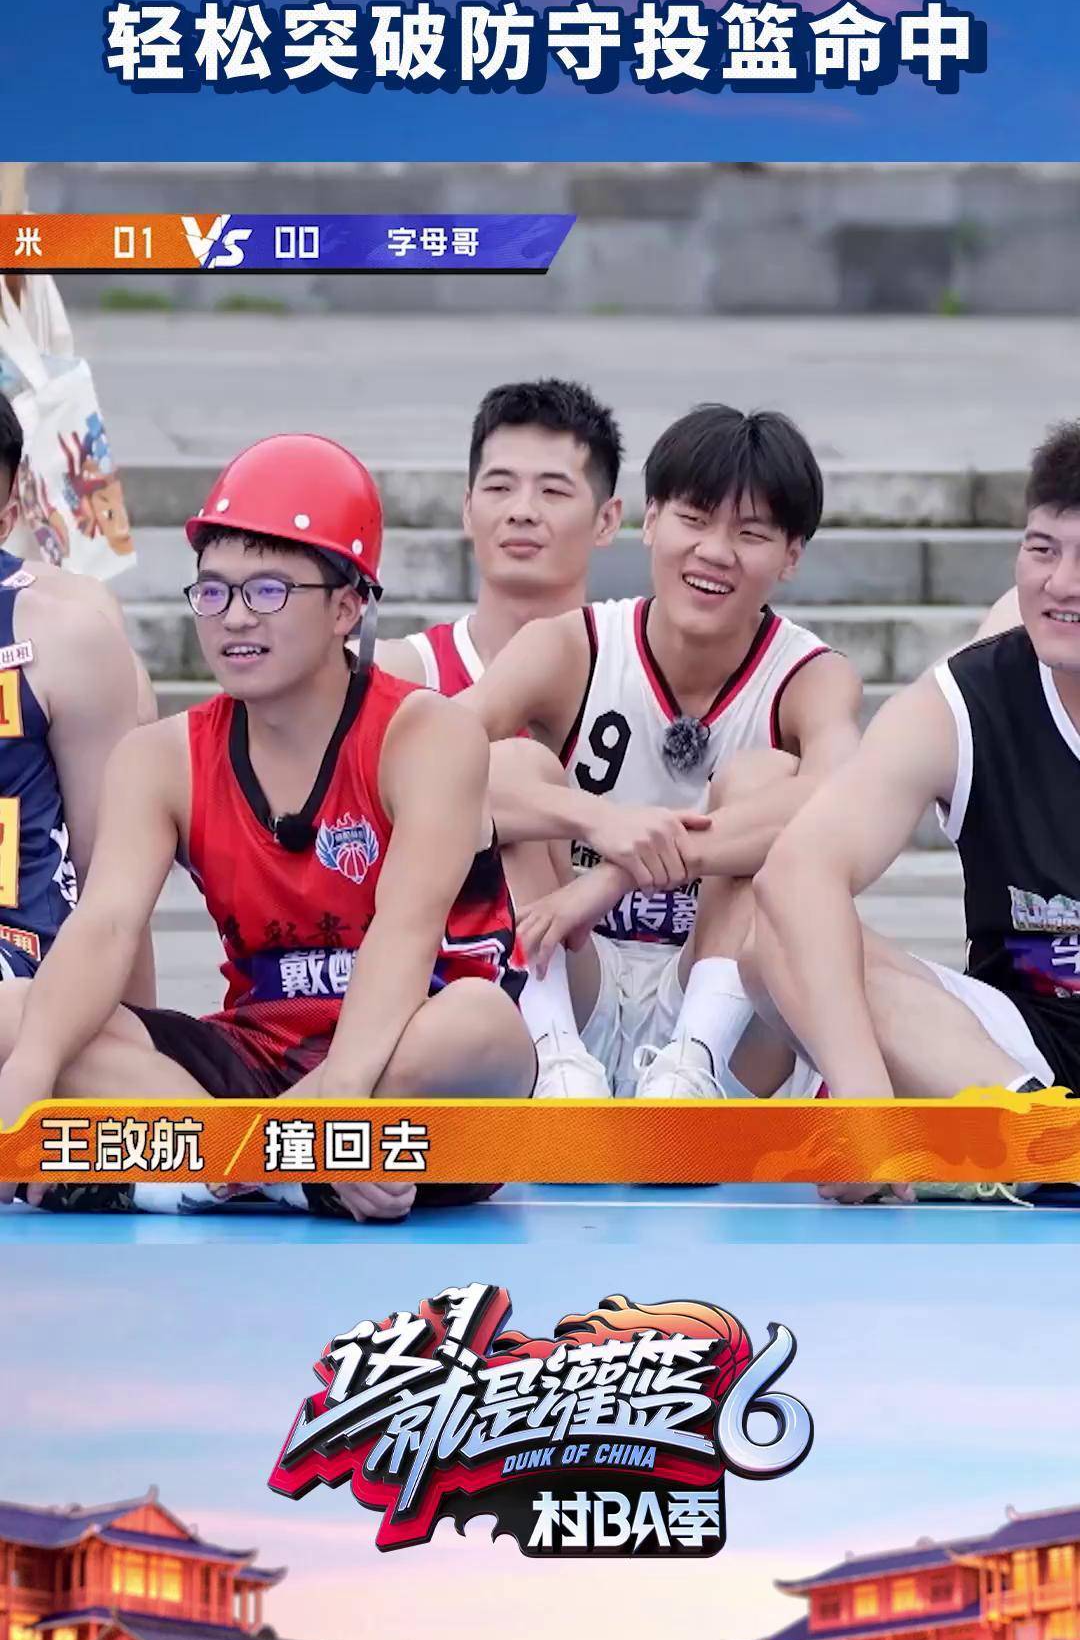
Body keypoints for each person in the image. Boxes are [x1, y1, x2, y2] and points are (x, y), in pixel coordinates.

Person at [0, 434, 536, 1223]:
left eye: (269, 591)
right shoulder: (161, 758)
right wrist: (29, 1074)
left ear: (348, 606)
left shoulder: (427, 735)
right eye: (214, 592)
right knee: (15, 1014)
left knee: (481, 1024)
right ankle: (277, 1174)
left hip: (407, 1070)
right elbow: (106, 925)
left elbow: (406, 933)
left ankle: (207, 1170)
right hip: (254, 1065)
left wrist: (341, 1104)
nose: (235, 617)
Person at [462, 404, 863, 1099]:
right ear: (650, 521)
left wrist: (619, 873)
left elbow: (845, 806)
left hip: (725, 1010)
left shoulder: (811, 676)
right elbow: (429, 764)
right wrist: (596, 820)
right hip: (578, 975)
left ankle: (689, 1071)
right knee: (512, 765)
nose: (715, 551)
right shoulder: (569, 646)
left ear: (791, 556)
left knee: (768, 779)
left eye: (750, 533)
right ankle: (556, 1064)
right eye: (694, 518)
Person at [747, 420, 1080, 1128]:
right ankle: (1039, 1139)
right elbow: (796, 873)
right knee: (773, 942)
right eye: (1042, 549)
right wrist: (865, 1101)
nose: (1061, 583)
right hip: (1016, 1052)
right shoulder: (960, 702)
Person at [0, 395, 149, 998]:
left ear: (6, 517)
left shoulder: (64, 637)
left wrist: (143, 1035)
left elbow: (113, 882)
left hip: (19, 969)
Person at [375, 378, 623, 692]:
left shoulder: (634, 683)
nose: (522, 511)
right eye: (499, 487)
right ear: (467, 509)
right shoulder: (395, 677)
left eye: (552, 491)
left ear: (606, 520)